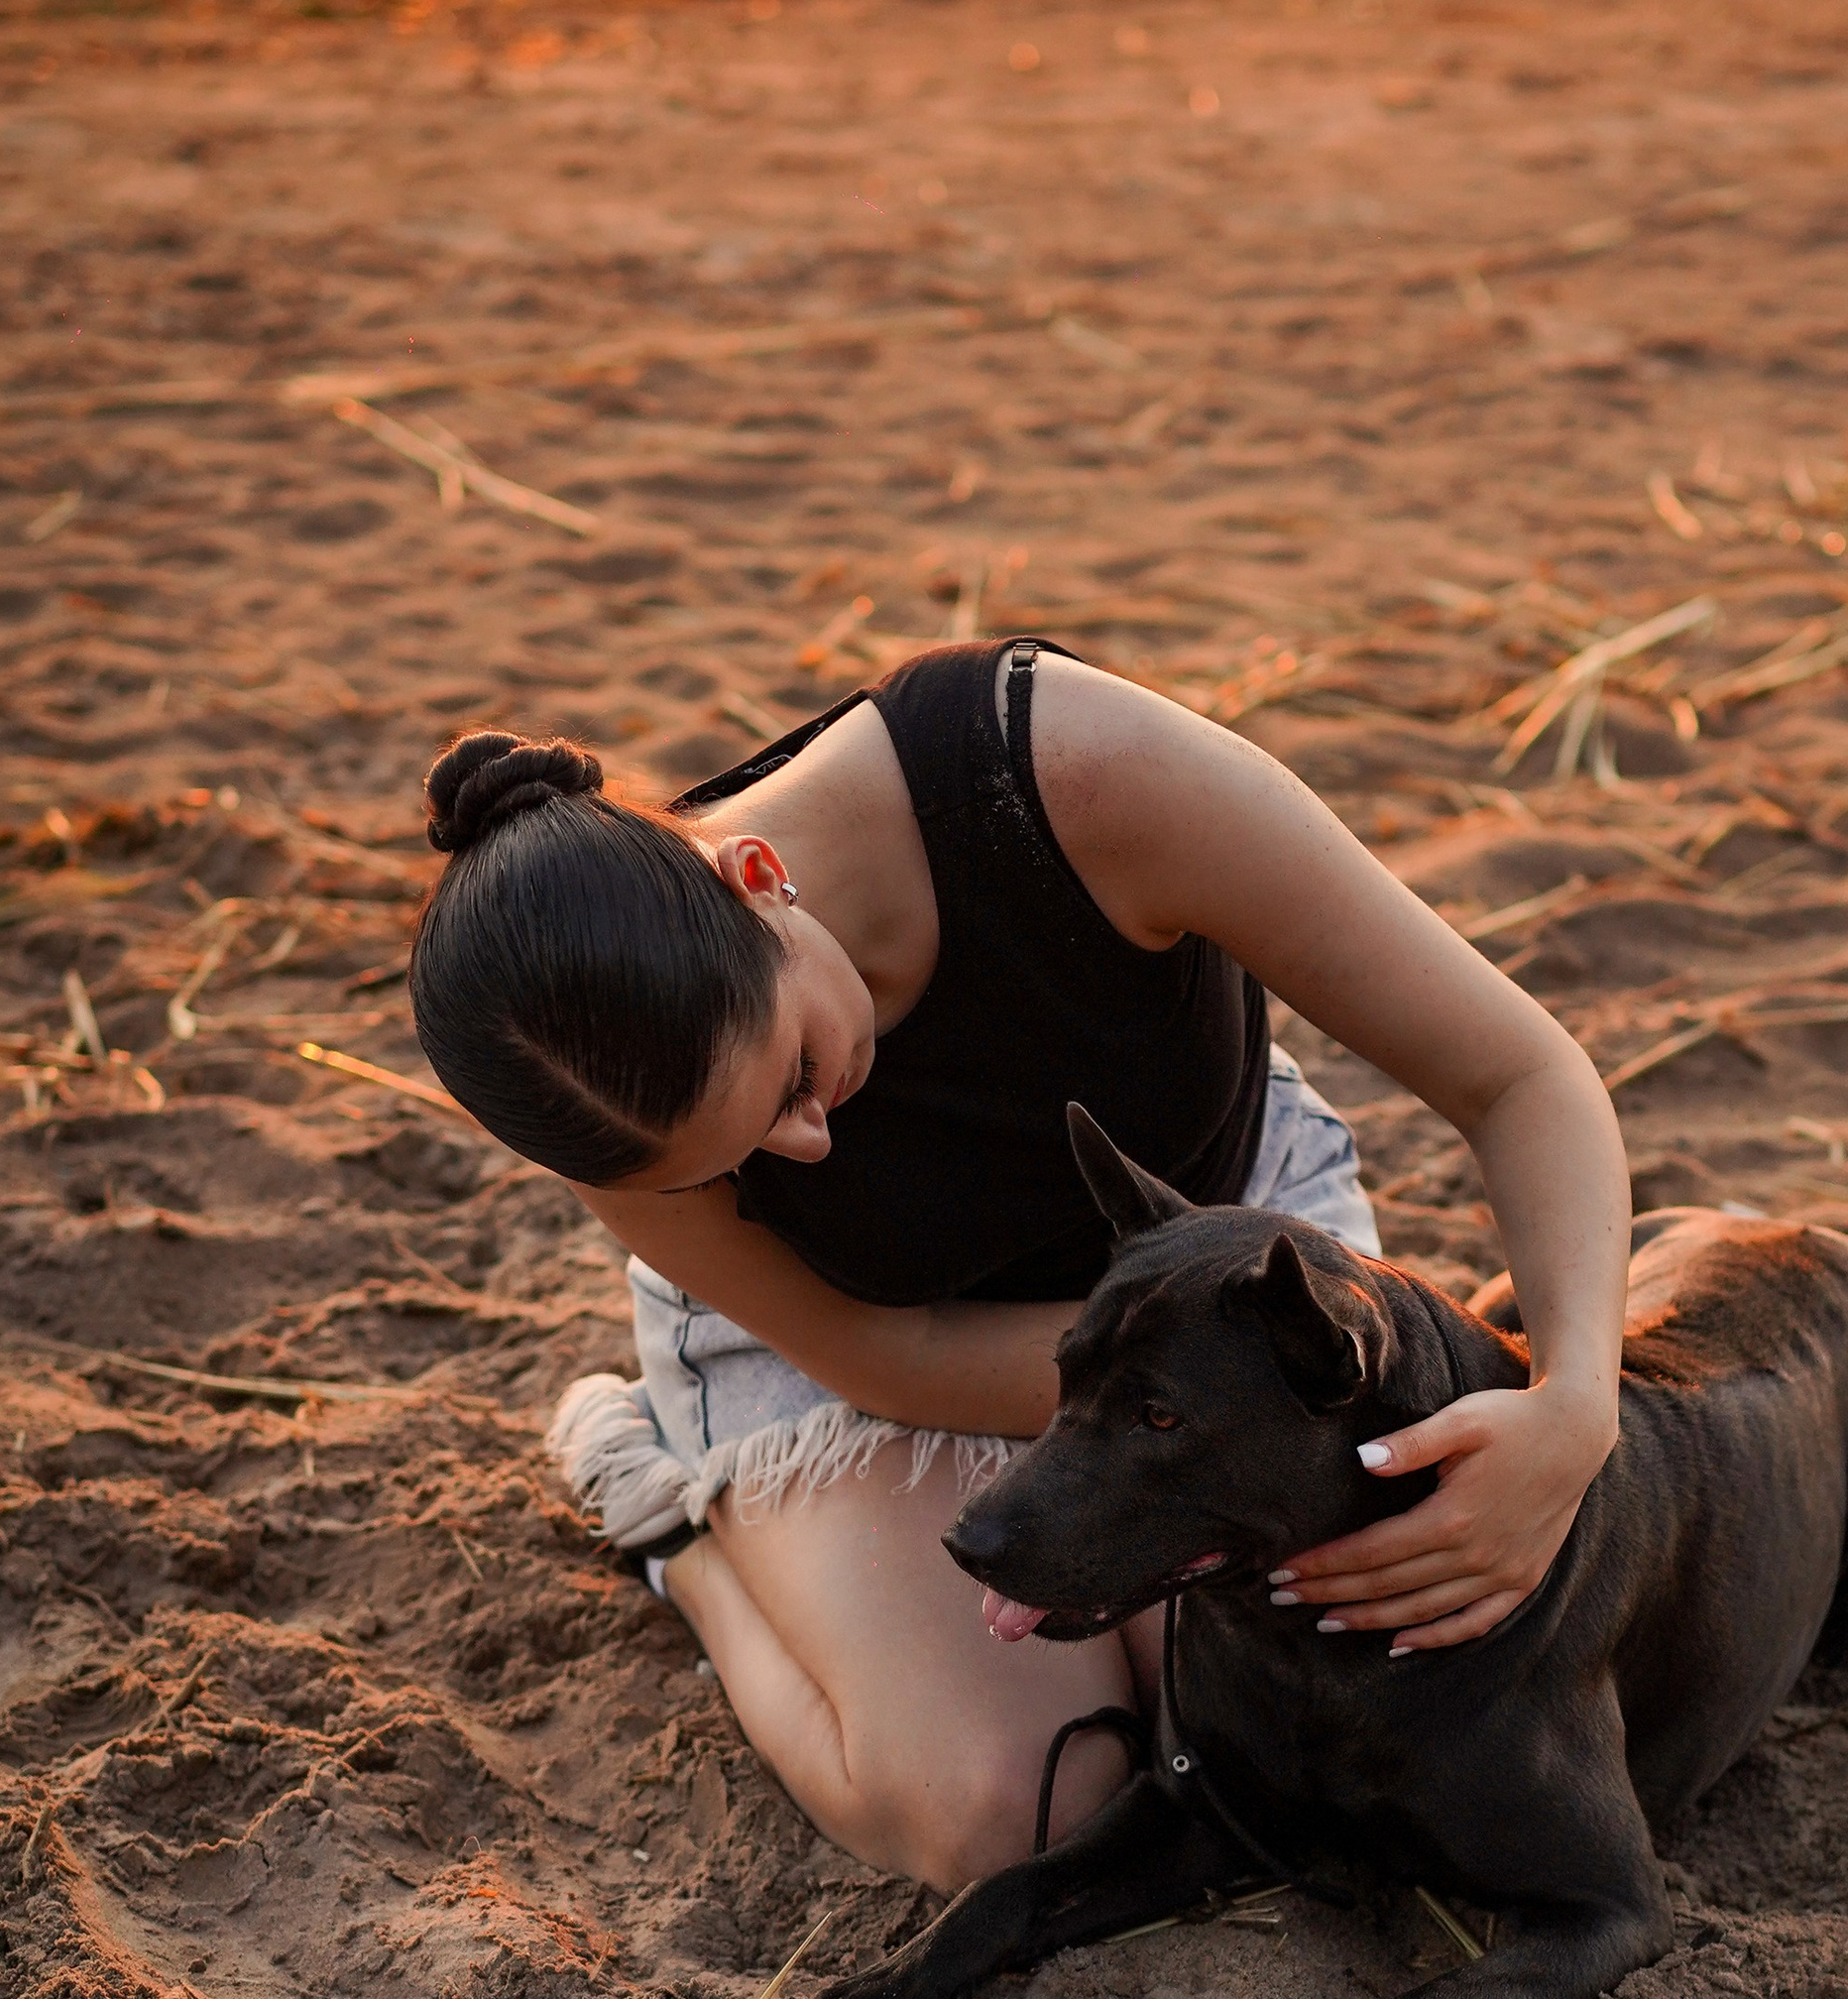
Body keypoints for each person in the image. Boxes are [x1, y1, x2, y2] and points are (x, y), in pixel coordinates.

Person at [409, 639, 1631, 1891]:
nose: (810, 1146)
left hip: (1218, 1269)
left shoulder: (1076, 773)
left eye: (793, 1078)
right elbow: (893, 1353)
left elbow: (1518, 1076)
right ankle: (678, 1534)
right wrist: (1163, 1413)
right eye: (734, 1165)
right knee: (1014, 1805)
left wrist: (1576, 1405)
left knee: (1288, 1701)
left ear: (761, 877)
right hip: (874, 1344)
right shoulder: (592, 1089)